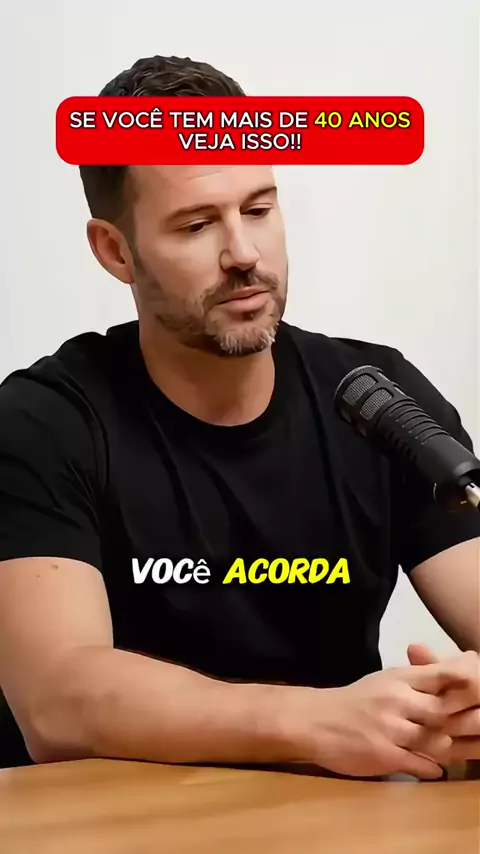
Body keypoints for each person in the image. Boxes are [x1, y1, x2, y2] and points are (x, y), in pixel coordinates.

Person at [0, 54, 479, 780]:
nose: (244, 254)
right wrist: (313, 722)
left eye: (258, 209)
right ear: (116, 251)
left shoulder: (378, 397)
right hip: (111, 823)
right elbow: (58, 701)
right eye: (197, 225)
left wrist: (461, 706)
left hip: (338, 821)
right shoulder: (43, 423)